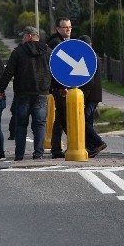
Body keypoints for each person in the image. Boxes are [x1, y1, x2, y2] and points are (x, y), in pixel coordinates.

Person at [0, 26, 51, 161]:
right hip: (41, 93)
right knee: (39, 124)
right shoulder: (47, 51)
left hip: (22, 94)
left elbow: (8, 72)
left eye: (24, 36)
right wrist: (61, 88)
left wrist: (0, 89)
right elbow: (56, 71)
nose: (22, 38)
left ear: (29, 35)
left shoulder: (18, 52)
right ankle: (38, 154)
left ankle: (19, 154)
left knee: (21, 124)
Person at [47, 17, 73, 159]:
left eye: (69, 27)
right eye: (65, 27)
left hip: (61, 87)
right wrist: (63, 86)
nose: (68, 29)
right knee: (62, 117)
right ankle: (57, 148)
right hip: (59, 88)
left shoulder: (64, 42)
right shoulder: (56, 43)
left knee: (61, 117)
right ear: (58, 29)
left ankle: (57, 147)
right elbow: (58, 68)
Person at [77, 35, 107, 158]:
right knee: (88, 121)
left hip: (91, 96)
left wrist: (83, 96)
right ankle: (91, 147)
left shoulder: (90, 57)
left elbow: (89, 81)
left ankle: (98, 142)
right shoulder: (93, 55)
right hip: (93, 95)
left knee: (83, 121)